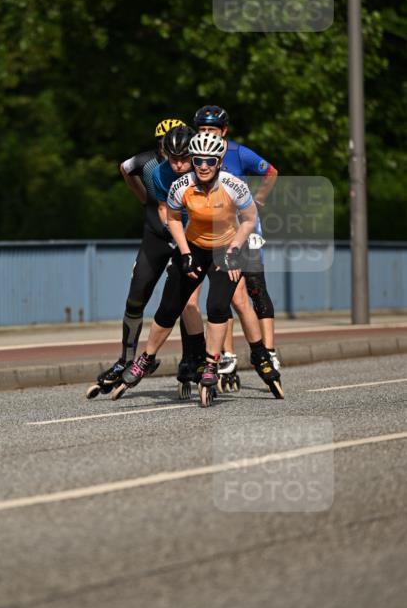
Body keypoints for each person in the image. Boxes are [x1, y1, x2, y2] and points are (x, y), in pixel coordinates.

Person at [114, 130, 283, 400]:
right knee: (170, 305)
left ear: (219, 162)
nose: (203, 166)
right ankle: (146, 358)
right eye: (198, 161)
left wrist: (235, 250)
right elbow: (172, 218)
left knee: (218, 305)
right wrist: (184, 252)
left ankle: (221, 362)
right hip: (194, 246)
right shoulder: (181, 185)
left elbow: (249, 220)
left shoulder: (233, 185)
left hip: (226, 248)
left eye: (210, 161)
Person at [87, 120, 196, 397]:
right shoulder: (150, 166)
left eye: (176, 149)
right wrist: (142, 197)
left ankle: (190, 360)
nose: (168, 154)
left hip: (188, 236)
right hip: (157, 235)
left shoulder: (197, 168)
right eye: (162, 146)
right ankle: (125, 359)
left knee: (185, 300)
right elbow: (125, 169)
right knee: (136, 295)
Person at [187, 104, 279, 387]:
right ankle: (227, 355)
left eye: (211, 130)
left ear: (224, 131)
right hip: (214, 229)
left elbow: (271, 171)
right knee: (224, 292)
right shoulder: (198, 155)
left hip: (243, 226)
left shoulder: (239, 153)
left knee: (253, 287)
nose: (206, 134)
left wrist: (259, 199)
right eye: (202, 130)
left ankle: (269, 351)